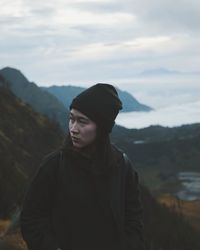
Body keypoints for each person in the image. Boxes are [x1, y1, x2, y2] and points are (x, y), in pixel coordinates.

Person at [20, 83, 145, 250]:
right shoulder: (54, 165)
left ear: (102, 127)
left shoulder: (122, 166)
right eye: (71, 118)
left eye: (82, 122)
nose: (73, 129)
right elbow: (31, 219)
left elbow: (133, 220)